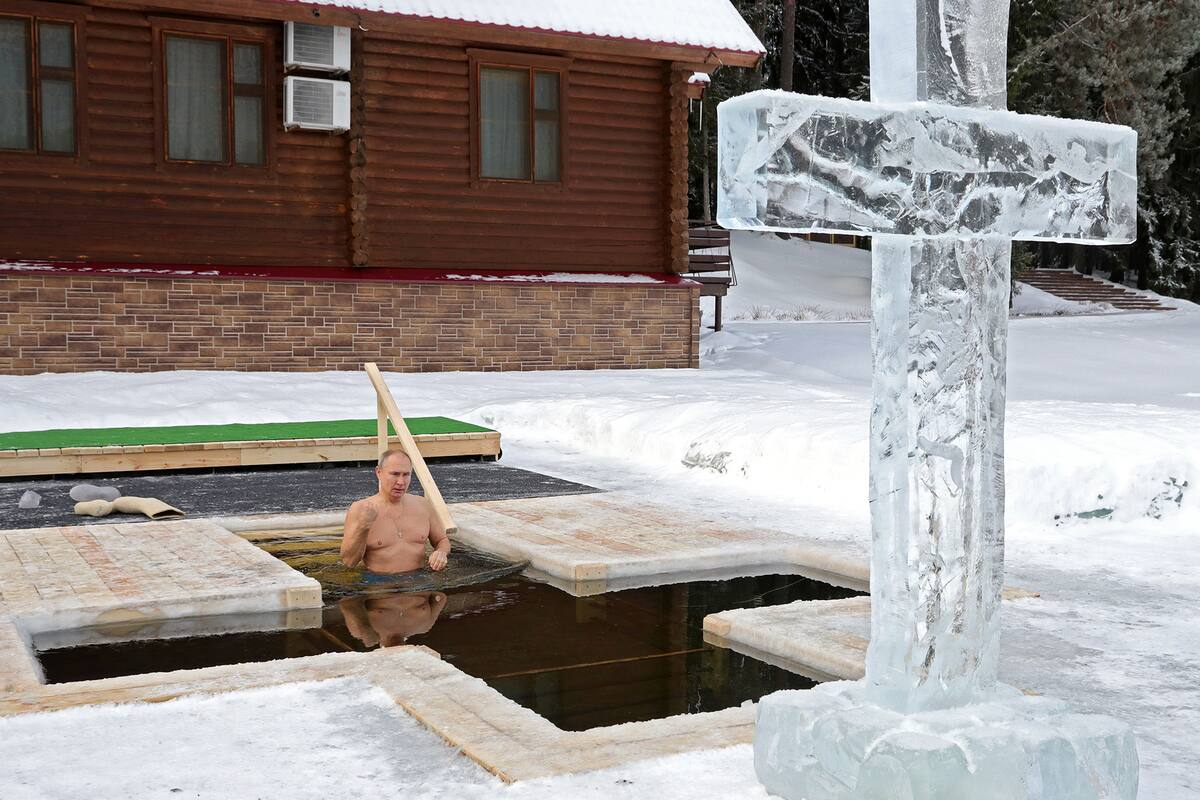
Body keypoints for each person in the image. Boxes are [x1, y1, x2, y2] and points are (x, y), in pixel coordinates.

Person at [340, 448, 450, 573]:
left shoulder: (423, 505)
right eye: (395, 474)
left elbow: (442, 540)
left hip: (419, 579)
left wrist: (441, 552)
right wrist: (363, 527)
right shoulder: (361, 509)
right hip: (379, 581)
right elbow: (349, 562)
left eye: (406, 475)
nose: (401, 482)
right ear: (379, 472)